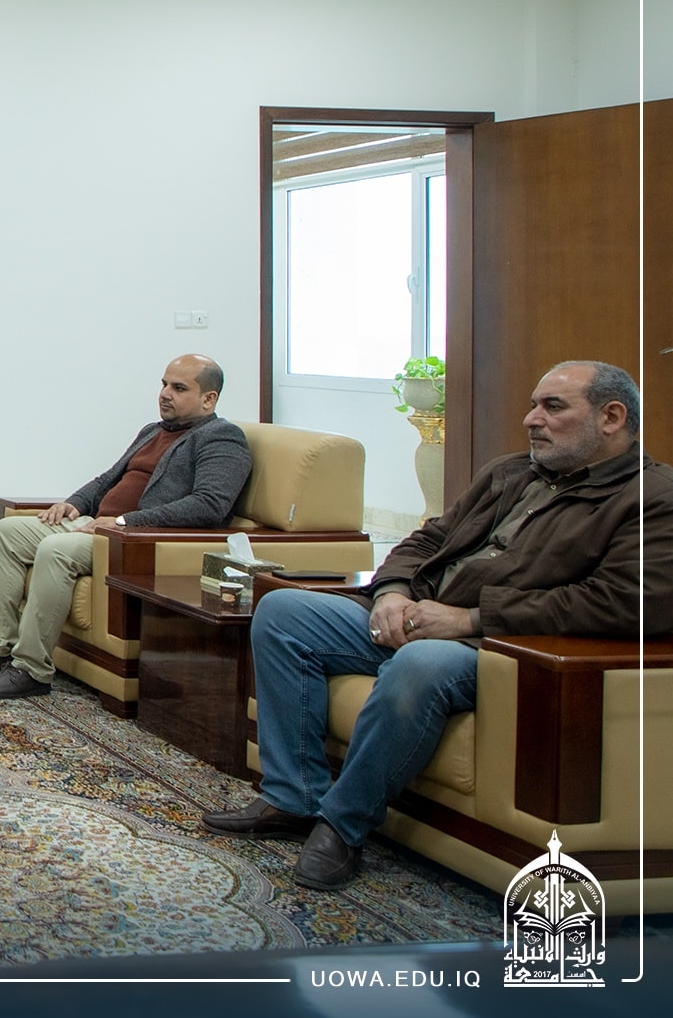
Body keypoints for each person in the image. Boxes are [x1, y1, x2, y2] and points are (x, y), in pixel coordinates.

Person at [203, 360, 673, 891]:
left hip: (495, 647)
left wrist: (470, 618)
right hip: (420, 613)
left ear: (612, 417)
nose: (531, 419)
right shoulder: (510, 472)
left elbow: (630, 603)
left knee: (420, 662)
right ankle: (294, 800)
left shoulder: (652, 498)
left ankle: (342, 825)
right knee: (285, 612)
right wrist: (392, 592)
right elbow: (428, 538)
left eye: (553, 407)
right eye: (533, 405)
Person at [0, 354, 251, 700]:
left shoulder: (222, 438)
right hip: (97, 524)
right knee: (7, 533)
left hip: (131, 539)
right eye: (164, 384)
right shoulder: (153, 431)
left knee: (56, 550)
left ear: (209, 399)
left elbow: (209, 504)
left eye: (179, 388)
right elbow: (108, 479)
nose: (165, 394)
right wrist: (74, 503)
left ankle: (31, 669)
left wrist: (124, 522)